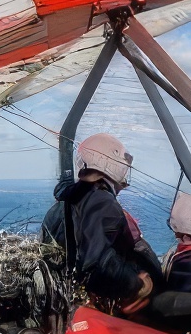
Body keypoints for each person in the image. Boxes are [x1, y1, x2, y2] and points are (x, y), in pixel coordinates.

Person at [42, 133, 162, 314]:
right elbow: (97, 264)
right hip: (94, 309)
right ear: (111, 162)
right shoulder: (102, 201)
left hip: (64, 303)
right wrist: (137, 284)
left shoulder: (65, 203)